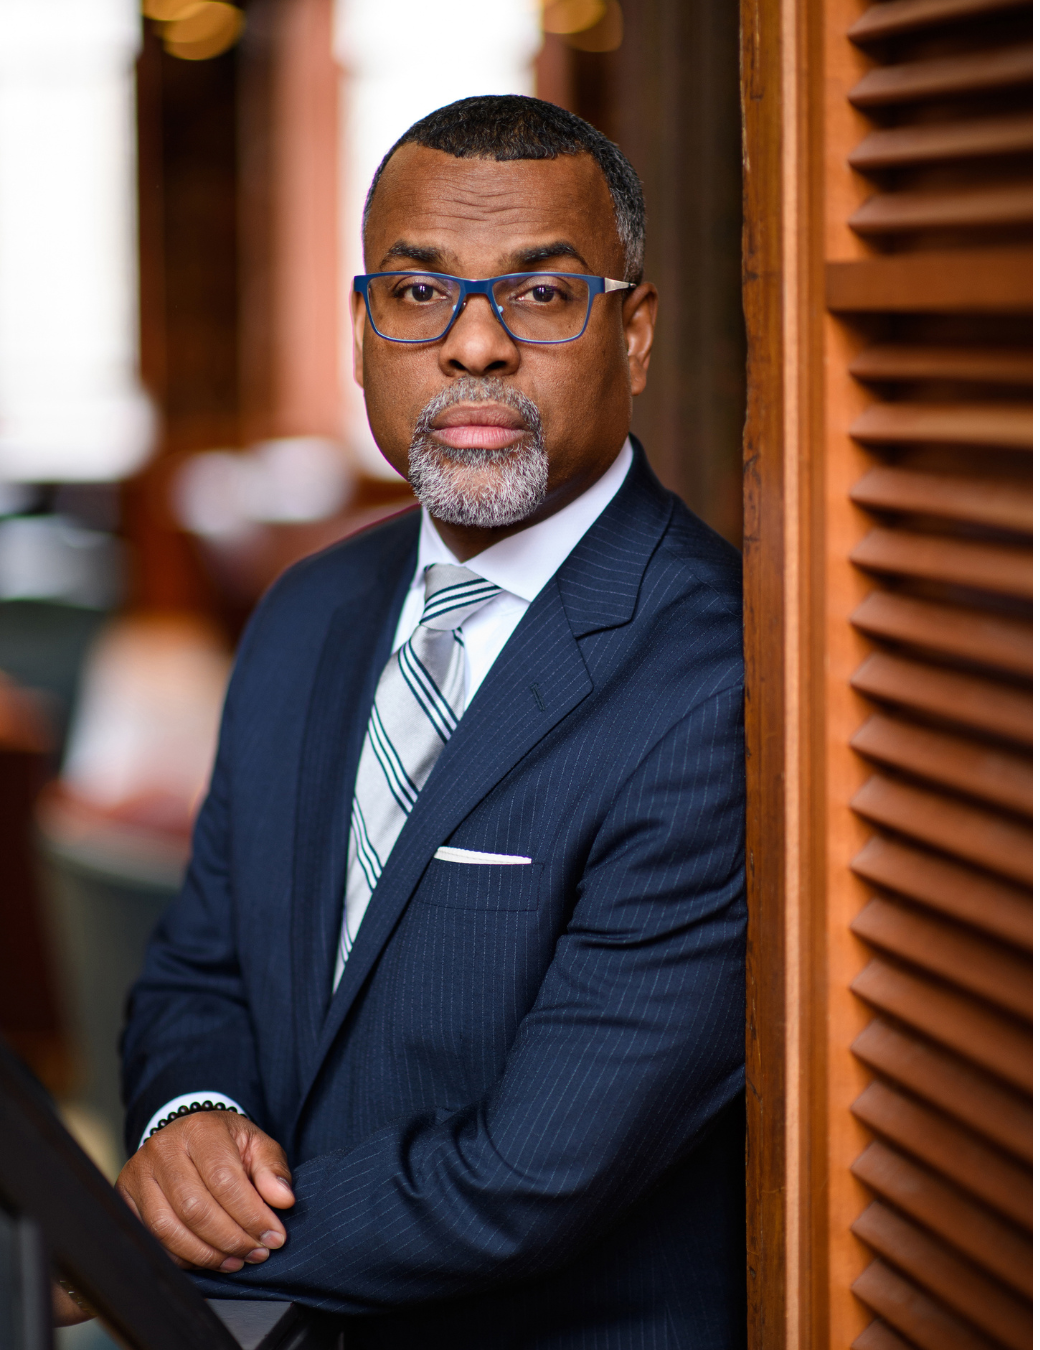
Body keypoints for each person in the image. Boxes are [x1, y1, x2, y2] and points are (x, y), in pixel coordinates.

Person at [115, 95, 746, 1348]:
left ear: (634, 334)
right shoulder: (308, 609)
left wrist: (155, 1247)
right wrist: (183, 1119)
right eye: (417, 294)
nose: (473, 348)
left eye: (541, 295)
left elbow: (528, 1181)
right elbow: (201, 967)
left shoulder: (714, 680)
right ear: (360, 332)